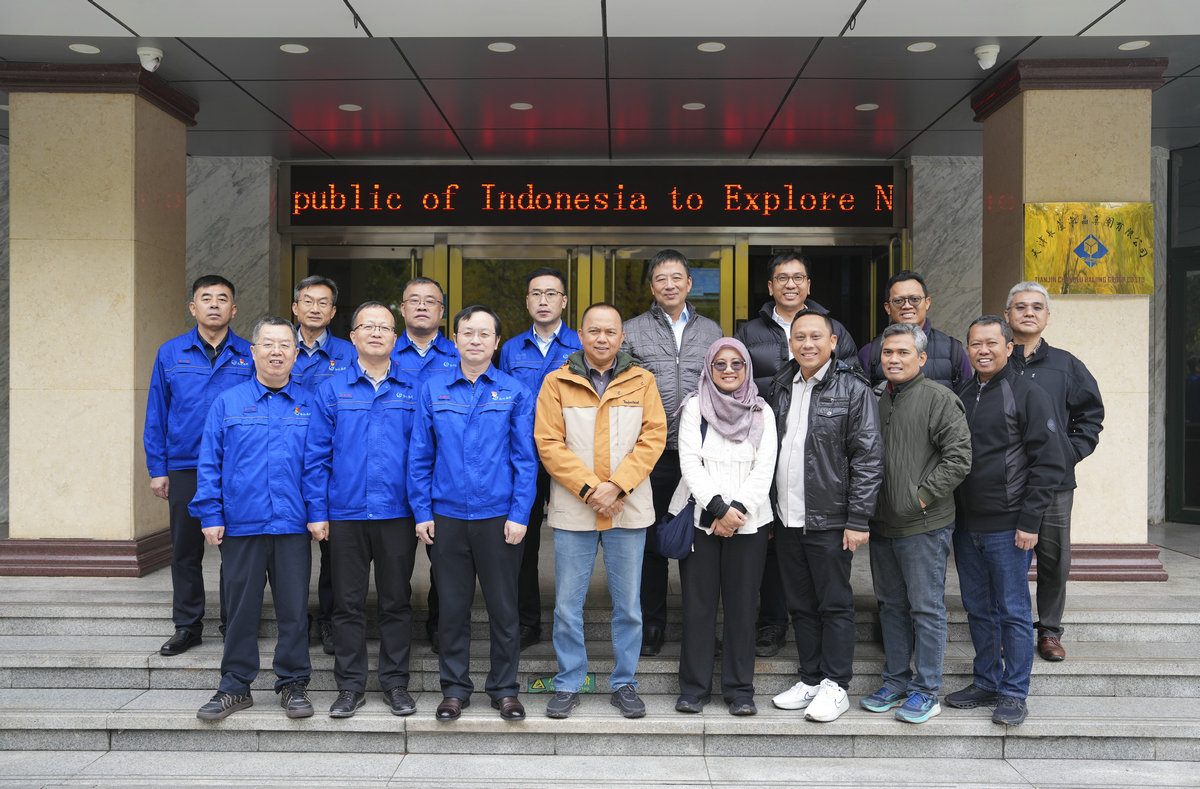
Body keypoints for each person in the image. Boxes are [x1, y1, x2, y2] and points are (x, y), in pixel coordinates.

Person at [535, 303, 667, 720]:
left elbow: (653, 438)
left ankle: (625, 683)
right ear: (580, 335)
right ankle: (569, 682)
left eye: (611, 331)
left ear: (622, 337)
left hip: (628, 508)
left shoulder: (642, 380)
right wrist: (592, 490)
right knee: (566, 606)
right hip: (575, 510)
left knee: (628, 605)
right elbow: (548, 443)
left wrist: (616, 486)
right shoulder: (557, 381)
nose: (602, 338)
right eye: (594, 331)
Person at [410, 305, 538, 722]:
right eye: (468, 333)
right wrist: (422, 511)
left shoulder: (514, 391)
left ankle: (504, 690)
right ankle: (454, 690)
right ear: (456, 340)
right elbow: (420, 456)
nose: (476, 340)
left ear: (497, 342)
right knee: (451, 610)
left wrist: (520, 514)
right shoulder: (432, 389)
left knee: (504, 610)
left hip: (498, 517)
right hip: (447, 517)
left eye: (485, 334)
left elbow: (525, 459)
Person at [734, 251, 858, 658]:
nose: (790, 284)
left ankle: (832, 669)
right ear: (770, 286)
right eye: (782, 278)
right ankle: (773, 625)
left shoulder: (834, 330)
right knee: (777, 554)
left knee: (827, 582)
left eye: (798, 277)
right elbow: (735, 384)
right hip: (770, 461)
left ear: (808, 285)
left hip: (823, 474)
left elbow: (855, 388)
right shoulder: (750, 332)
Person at [191, 317, 315, 721]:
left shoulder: (310, 403)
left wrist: (318, 514)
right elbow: (209, 462)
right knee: (240, 610)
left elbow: (319, 466)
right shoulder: (228, 402)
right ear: (253, 351)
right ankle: (234, 686)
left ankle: (293, 683)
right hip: (241, 524)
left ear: (296, 354)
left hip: (293, 525)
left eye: (285, 345)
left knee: (294, 610)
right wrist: (210, 513)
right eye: (268, 344)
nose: (277, 351)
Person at [946, 315, 1066, 727]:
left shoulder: (1028, 393)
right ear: (967, 349)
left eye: (991, 343)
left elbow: (1049, 463)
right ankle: (986, 681)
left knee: (1013, 611)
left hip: (1010, 527)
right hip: (967, 527)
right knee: (978, 610)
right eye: (975, 344)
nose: (983, 351)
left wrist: (1030, 521)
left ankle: (1014, 692)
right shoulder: (963, 394)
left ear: (1008, 347)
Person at [303, 302, 419, 719]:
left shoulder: (414, 389)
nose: (376, 333)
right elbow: (316, 457)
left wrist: (423, 510)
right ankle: (350, 687)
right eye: (367, 326)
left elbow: (424, 456)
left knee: (396, 602)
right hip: (345, 514)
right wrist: (317, 511)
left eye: (384, 327)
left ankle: (395, 684)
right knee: (347, 604)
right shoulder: (331, 390)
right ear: (352, 336)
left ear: (395, 337)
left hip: (397, 514)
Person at [768, 309, 882, 723]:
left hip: (830, 518)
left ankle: (836, 685)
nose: (807, 344)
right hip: (787, 517)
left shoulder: (853, 388)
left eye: (816, 336)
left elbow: (868, 457)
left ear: (833, 342)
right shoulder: (782, 384)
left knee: (834, 603)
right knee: (800, 604)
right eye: (800, 337)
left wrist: (858, 518)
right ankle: (811, 678)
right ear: (790, 343)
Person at [860, 323, 972, 725]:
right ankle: (895, 681)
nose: (893, 359)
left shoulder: (939, 399)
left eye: (903, 352)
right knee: (891, 607)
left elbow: (959, 458)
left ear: (921, 358)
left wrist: (919, 497)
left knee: (926, 609)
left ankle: (926, 691)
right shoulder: (875, 398)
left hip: (924, 524)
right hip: (882, 524)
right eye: (887, 352)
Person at [621, 249, 722, 656]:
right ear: (652, 286)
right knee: (651, 541)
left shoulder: (711, 331)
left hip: (700, 452)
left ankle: (701, 627)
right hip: (651, 452)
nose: (670, 285)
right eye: (661, 278)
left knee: (699, 542)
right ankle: (653, 624)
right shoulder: (631, 331)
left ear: (689, 283)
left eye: (677, 277)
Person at [144, 275, 252, 657]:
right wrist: (158, 468)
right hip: (185, 464)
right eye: (206, 298)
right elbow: (157, 412)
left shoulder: (250, 353)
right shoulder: (170, 353)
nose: (214, 305)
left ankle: (233, 624)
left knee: (234, 552)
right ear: (193, 307)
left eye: (222, 299)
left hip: (235, 467)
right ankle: (187, 626)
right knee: (185, 551)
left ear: (233, 310)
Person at [669, 338, 777, 717]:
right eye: (720, 364)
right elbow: (689, 463)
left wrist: (737, 511)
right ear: (709, 369)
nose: (729, 370)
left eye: (736, 364)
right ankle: (693, 689)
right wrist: (718, 509)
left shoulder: (762, 411)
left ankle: (739, 690)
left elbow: (765, 467)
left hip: (749, 522)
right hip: (702, 521)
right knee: (698, 608)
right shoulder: (694, 407)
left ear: (747, 368)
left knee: (742, 608)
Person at [1005, 281, 1104, 662]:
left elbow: (1090, 416)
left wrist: (1068, 454)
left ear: (1047, 316)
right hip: (1003, 481)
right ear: (1008, 314)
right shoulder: (997, 360)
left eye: (1036, 307)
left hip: (1054, 483)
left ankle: (1049, 630)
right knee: (1006, 558)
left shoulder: (1066, 364)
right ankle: (1010, 627)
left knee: (1053, 558)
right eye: (1020, 307)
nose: (1028, 312)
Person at [498, 267, 582, 650]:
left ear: (563, 301)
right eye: (536, 294)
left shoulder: (580, 345)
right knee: (523, 542)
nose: (543, 300)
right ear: (527, 301)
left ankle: (570, 624)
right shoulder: (511, 349)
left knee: (573, 545)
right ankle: (527, 622)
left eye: (551, 294)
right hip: (523, 458)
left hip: (569, 457)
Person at [391, 276, 459, 652]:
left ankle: (439, 626)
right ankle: (397, 632)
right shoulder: (384, 351)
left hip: (443, 476)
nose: (421, 306)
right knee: (396, 561)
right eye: (413, 300)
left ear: (441, 311)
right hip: (390, 472)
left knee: (445, 563)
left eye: (429, 301)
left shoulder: (459, 354)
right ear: (402, 309)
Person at [289, 274, 355, 656]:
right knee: (290, 548)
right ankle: (295, 619)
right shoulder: (280, 346)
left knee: (332, 549)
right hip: (286, 459)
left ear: (333, 312)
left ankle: (330, 618)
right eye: (308, 301)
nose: (315, 308)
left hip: (331, 463)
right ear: (295, 307)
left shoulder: (349, 353)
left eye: (323, 303)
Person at [858, 270, 971, 390]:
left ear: (927, 303)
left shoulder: (952, 350)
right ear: (888, 308)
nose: (907, 306)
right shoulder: (870, 353)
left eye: (915, 299)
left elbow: (966, 398)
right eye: (898, 301)